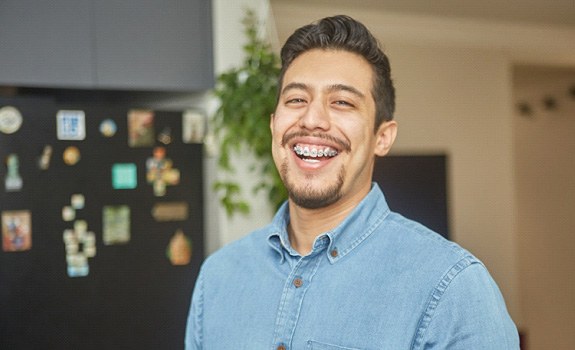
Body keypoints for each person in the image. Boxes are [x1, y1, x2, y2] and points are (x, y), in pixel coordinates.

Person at [186, 15, 519, 349]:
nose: (312, 120)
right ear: (274, 125)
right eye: (296, 99)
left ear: (382, 137)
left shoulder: (451, 287)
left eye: (342, 102)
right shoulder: (218, 278)